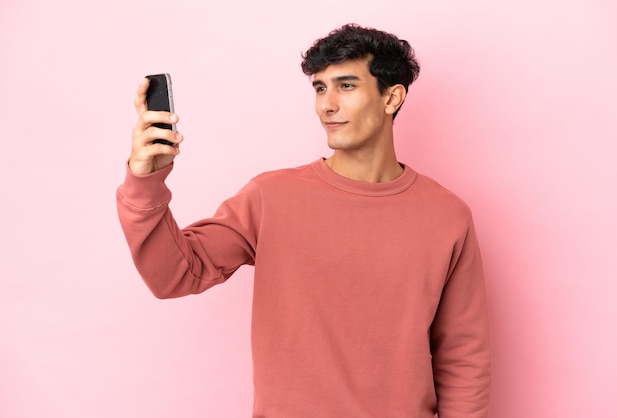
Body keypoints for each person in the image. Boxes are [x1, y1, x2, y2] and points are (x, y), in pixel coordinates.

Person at [117, 23, 490, 418]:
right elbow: (174, 274)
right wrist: (146, 182)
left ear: (391, 98)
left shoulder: (446, 216)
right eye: (320, 88)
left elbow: (464, 355)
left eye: (346, 86)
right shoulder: (270, 197)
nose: (326, 105)